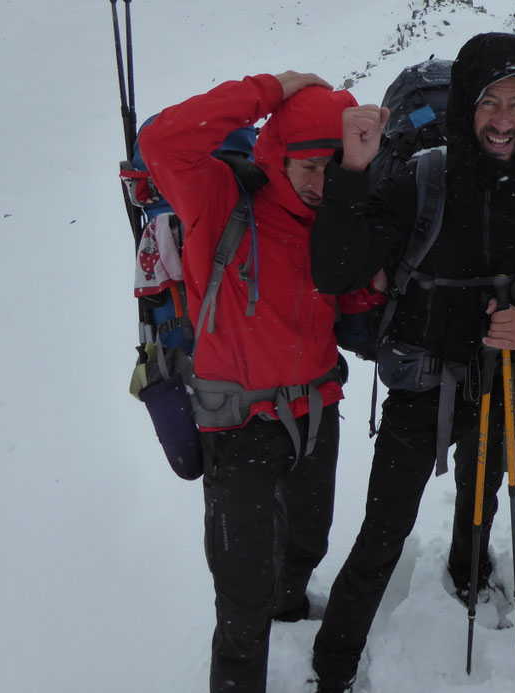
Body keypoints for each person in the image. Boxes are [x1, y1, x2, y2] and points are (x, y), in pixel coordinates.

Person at [307, 33, 515, 691]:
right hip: (419, 388)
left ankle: (468, 572)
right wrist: (353, 172)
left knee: (479, 501)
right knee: (381, 534)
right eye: (491, 100)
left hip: (495, 383)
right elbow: (333, 270)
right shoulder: (417, 181)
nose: (505, 119)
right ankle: (332, 666)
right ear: (465, 103)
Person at [139, 71, 378, 693]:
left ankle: (292, 608)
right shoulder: (220, 201)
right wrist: (273, 87)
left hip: (317, 412)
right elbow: (163, 143)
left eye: (332, 166)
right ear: (275, 154)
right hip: (238, 424)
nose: (319, 183)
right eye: (306, 165)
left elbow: (342, 303)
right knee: (241, 591)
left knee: (307, 540)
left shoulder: (339, 216)